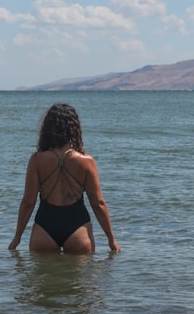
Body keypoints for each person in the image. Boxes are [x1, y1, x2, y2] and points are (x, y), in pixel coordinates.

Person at [8, 103, 121, 254]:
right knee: (79, 277)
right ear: (74, 128)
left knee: (43, 277)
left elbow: (28, 202)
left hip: (44, 227)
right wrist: (111, 239)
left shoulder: (36, 160)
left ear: (47, 129)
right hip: (78, 227)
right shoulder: (86, 162)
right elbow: (98, 203)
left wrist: (17, 237)